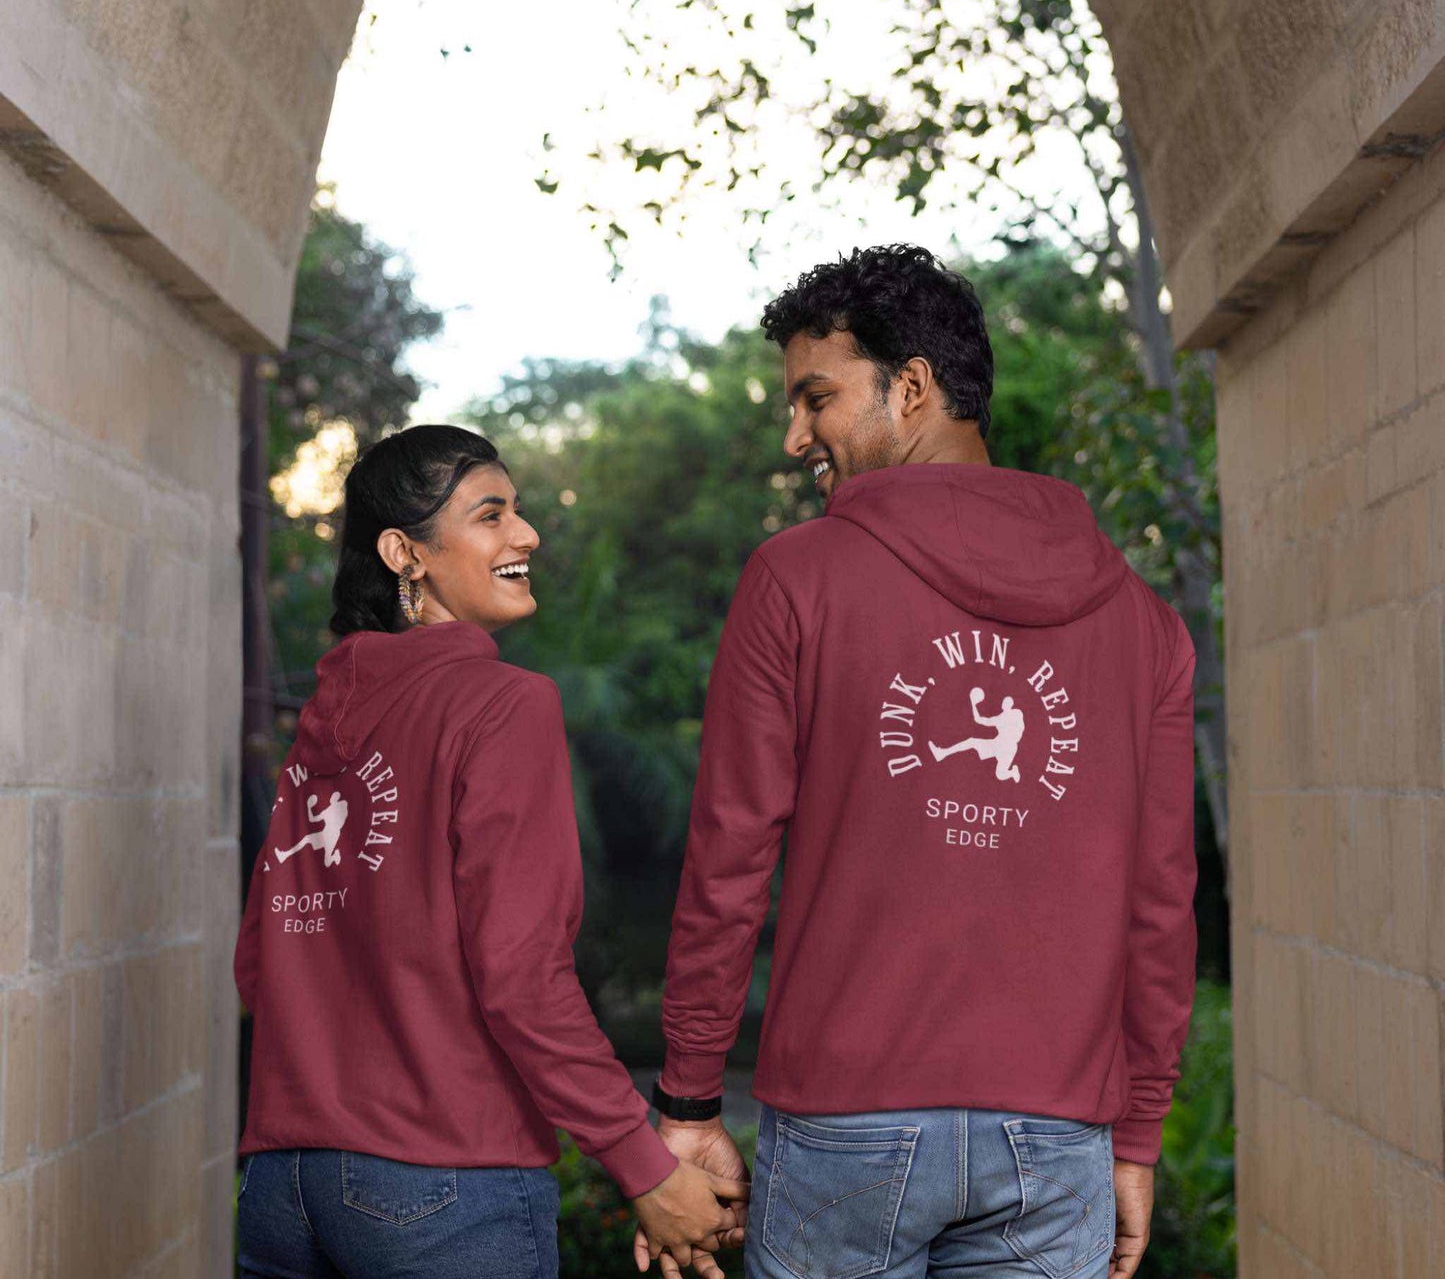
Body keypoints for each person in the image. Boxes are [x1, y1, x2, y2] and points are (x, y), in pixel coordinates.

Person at [639, 245, 1198, 1279]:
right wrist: (1135, 1132)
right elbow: (1159, 902)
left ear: (910, 387)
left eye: (815, 397)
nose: (793, 433)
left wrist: (685, 1102)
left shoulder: (795, 580)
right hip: (1055, 1128)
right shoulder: (1142, 622)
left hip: (846, 1118)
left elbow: (727, 862)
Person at [234, 425, 744, 1279]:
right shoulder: (502, 704)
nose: (527, 534)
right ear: (406, 553)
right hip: (442, 1185)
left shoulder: (318, 732)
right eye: (490, 514)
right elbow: (520, 973)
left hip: (285, 1189)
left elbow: (259, 965)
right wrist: (642, 1164)